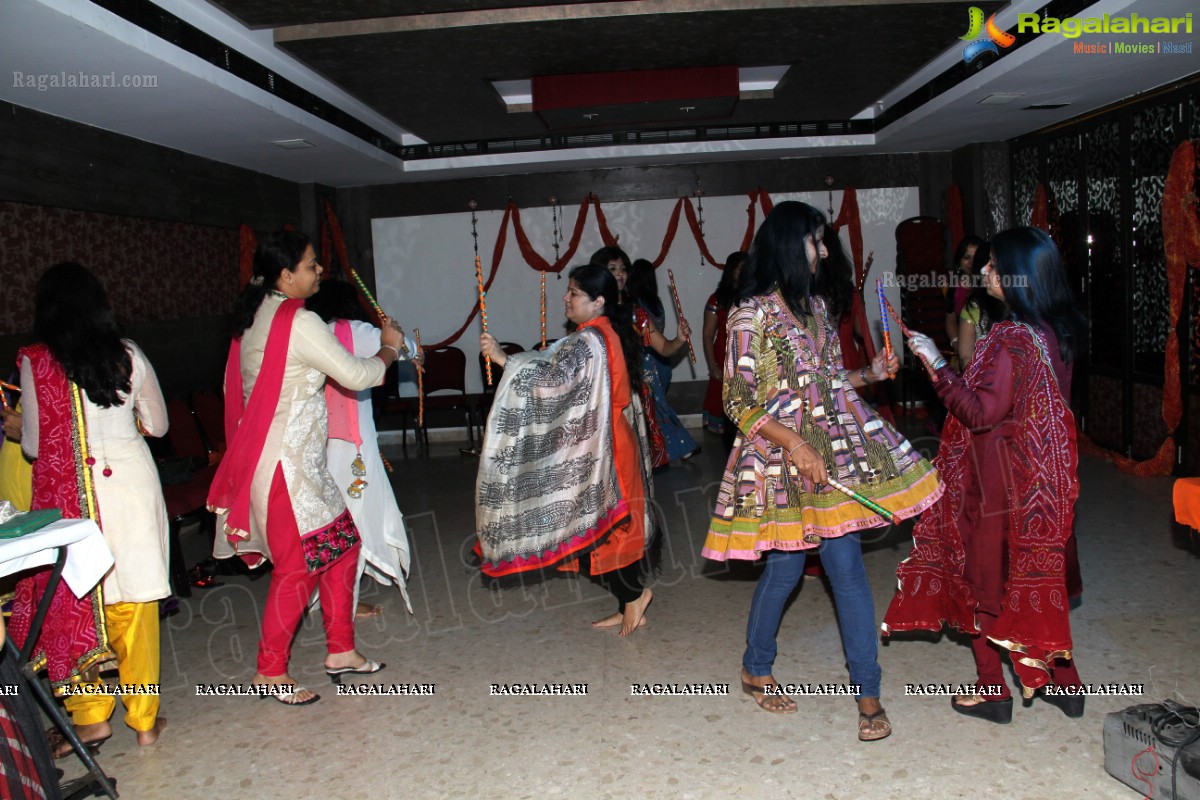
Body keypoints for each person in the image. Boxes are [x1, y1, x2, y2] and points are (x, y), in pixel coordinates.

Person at [702, 202, 943, 741]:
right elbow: (738, 400)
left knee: (847, 569)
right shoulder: (749, 314)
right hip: (777, 459)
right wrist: (793, 445)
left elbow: (830, 380)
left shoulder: (815, 307)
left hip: (831, 453)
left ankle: (869, 692)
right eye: (817, 241)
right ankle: (756, 665)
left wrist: (868, 373)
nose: (826, 251)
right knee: (786, 571)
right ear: (791, 245)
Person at [884, 226, 1087, 723]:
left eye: (995, 264)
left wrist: (935, 363)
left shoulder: (1012, 337)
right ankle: (1066, 684)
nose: (986, 271)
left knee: (981, 581)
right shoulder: (1056, 332)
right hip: (1040, 484)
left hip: (995, 481)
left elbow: (980, 413)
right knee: (1030, 579)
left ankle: (992, 689)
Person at [208, 231, 405, 705]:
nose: (319, 272)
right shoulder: (298, 321)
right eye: (312, 265)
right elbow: (356, 376)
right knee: (297, 569)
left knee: (342, 547)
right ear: (285, 275)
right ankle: (270, 671)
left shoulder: (259, 314)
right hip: (284, 467)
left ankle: (341, 651)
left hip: (297, 462)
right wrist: (390, 349)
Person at [8, 261, 169, 754]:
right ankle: (144, 721)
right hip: (131, 488)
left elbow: (34, 445)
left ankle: (92, 717)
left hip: (73, 500)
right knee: (136, 602)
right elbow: (159, 426)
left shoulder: (38, 362)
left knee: (80, 600)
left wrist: (18, 427)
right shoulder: (128, 354)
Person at [477, 263, 654, 636]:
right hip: (605, 443)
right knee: (594, 537)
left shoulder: (591, 340)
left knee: (601, 535)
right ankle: (629, 604)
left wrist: (505, 360)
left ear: (598, 301)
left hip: (606, 452)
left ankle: (635, 598)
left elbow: (554, 381)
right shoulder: (596, 334)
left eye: (574, 292)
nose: (566, 298)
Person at [307, 281, 414, 620]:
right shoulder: (356, 331)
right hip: (354, 448)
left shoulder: (311, 333)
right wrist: (394, 337)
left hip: (314, 444)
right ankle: (342, 604)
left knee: (326, 522)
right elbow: (409, 349)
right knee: (356, 520)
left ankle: (324, 597)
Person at [590, 247, 695, 468]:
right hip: (602, 394)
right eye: (612, 268)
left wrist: (679, 339)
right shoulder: (591, 312)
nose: (619, 273)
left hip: (632, 394)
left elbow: (664, 349)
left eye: (623, 268)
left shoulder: (636, 313)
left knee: (634, 462)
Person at [702, 251, 744, 447]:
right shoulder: (717, 299)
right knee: (728, 423)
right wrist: (712, 365)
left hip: (749, 359)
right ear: (731, 271)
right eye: (740, 268)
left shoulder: (755, 296)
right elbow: (708, 335)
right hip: (725, 358)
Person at [945, 235, 985, 355]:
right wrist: (956, 343)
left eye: (976, 257)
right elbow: (950, 320)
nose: (972, 262)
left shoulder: (991, 284)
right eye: (967, 257)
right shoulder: (953, 285)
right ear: (959, 261)